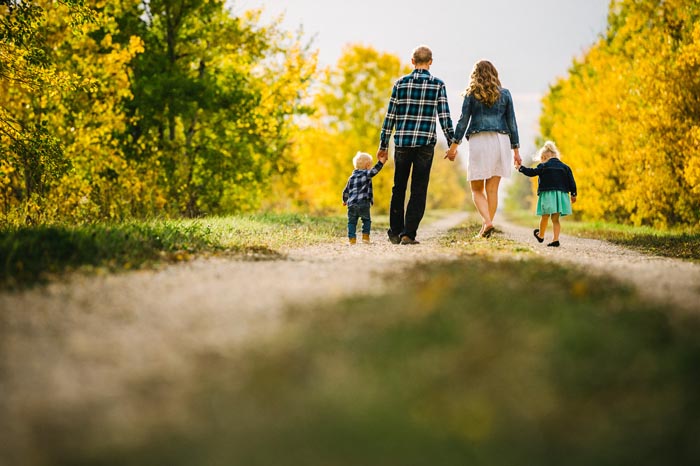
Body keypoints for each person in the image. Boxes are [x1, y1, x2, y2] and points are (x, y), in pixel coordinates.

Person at [377, 45, 456, 245]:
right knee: (418, 189)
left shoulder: (400, 84)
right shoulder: (438, 85)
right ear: (430, 62)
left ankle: (395, 232)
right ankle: (408, 234)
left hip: (402, 142)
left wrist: (383, 145)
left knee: (399, 187)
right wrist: (452, 143)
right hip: (424, 145)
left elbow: (390, 117)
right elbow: (444, 116)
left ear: (412, 61)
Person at [446, 60, 522, 238]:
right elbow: (512, 124)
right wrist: (516, 152)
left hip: (480, 141)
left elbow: (463, 121)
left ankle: (487, 223)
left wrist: (453, 148)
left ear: (475, 75)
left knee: (476, 189)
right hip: (501, 140)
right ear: (495, 73)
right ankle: (486, 227)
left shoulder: (472, 93)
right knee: (492, 190)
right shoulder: (505, 94)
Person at [516, 140, 577, 247]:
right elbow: (571, 181)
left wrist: (520, 168)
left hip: (548, 195)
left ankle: (541, 235)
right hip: (560, 196)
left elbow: (532, 172)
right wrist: (573, 194)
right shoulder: (565, 167)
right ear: (555, 155)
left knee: (545, 216)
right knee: (555, 219)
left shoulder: (543, 166)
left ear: (543, 157)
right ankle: (555, 239)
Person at [342, 151, 388, 244]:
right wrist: (381, 162)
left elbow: (346, 191)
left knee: (351, 222)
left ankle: (352, 239)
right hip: (363, 203)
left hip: (351, 204)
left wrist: (345, 200)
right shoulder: (366, 174)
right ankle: (365, 238)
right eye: (370, 165)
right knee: (366, 221)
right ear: (367, 165)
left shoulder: (351, 178)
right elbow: (375, 170)